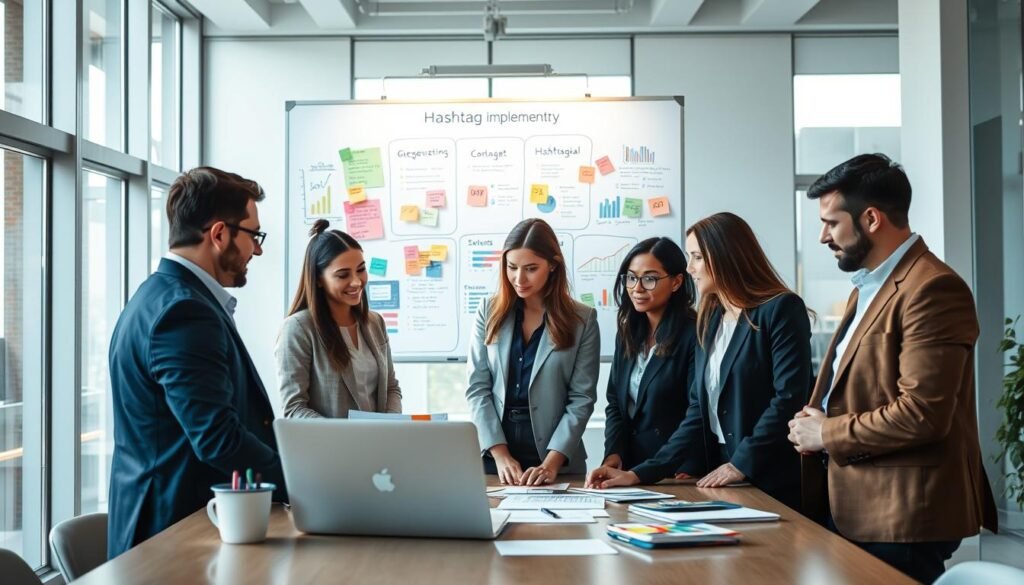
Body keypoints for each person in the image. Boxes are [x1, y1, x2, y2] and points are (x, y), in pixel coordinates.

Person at [787, 153, 998, 584]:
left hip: (901, 516)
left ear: (871, 219)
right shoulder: (868, 286)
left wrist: (826, 433)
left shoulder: (933, 288)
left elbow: (923, 413)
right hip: (856, 505)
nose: (823, 236)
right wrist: (818, 416)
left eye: (831, 222)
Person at [107, 167, 285, 558]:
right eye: (253, 235)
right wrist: (299, 479)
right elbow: (217, 438)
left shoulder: (159, 296)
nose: (258, 249)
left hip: (176, 531)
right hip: (170, 540)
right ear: (219, 234)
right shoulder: (184, 311)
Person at [586, 212, 811, 511]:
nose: (690, 268)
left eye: (696, 258)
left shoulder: (780, 309)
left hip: (768, 472)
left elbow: (789, 398)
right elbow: (698, 412)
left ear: (725, 257)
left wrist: (740, 463)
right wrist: (640, 473)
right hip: (718, 469)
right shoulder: (711, 317)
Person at [466, 218, 599, 486]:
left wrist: (551, 463)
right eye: (511, 267)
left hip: (557, 458)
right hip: (496, 457)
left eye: (531, 269)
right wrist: (501, 455)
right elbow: (477, 388)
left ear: (553, 265)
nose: (518, 278)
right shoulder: (488, 310)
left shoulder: (582, 320)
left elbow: (581, 399)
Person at [276, 220, 402, 418]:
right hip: (330, 446)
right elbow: (294, 408)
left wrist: (388, 425)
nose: (356, 281)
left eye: (361, 269)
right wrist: (343, 435)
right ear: (318, 279)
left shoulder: (375, 322)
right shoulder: (298, 328)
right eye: (343, 275)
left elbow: (391, 388)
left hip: (378, 445)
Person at [602, 237, 698, 472]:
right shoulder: (628, 331)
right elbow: (615, 401)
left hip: (679, 469)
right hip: (632, 467)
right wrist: (613, 454)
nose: (637, 288)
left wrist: (672, 465)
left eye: (650, 279)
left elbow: (697, 410)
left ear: (676, 282)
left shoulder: (694, 333)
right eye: (632, 278)